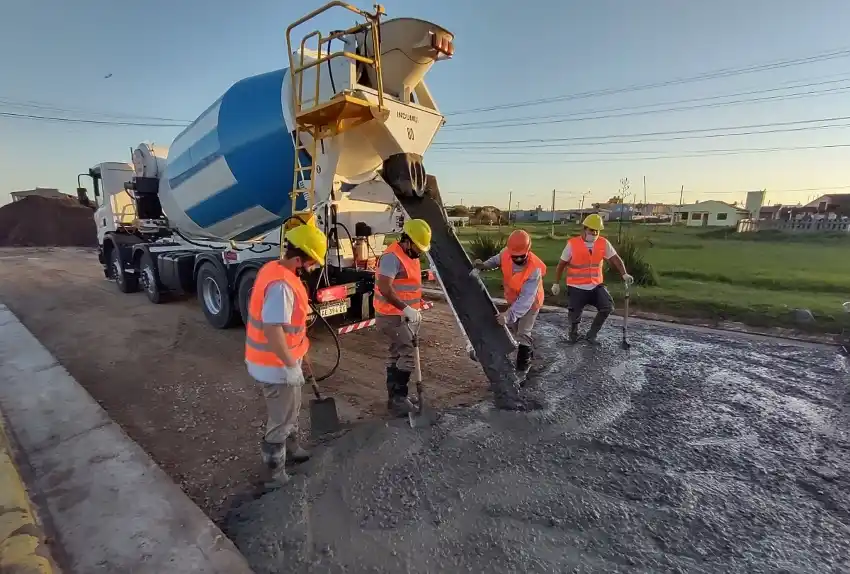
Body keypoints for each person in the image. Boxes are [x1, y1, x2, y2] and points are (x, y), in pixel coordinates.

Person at [245, 222, 328, 482]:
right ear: (297, 259)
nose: (314, 267)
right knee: (281, 418)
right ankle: (275, 474)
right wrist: (291, 365)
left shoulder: (275, 269)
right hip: (274, 364)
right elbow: (272, 330)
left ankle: (291, 450)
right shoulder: (281, 286)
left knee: (291, 408)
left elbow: (289, 325)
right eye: (312, 262)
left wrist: (298, 354)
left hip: (281, 359)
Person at [375, 219, 432, 416]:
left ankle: (395, 398)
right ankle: (399, 399)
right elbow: (385, 288)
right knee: (407, 354)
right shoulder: (392, 257)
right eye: (418, 246)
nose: (421, 251)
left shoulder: (410, 256)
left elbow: (409, 286)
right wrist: (406, 309)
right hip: (392, 315)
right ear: (407, 240)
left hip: (402, 315)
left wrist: (412, 309)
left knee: (396, 353)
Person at [551, 214, 634, 344]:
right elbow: (561, 264)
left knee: (607, 307)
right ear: (584, 229)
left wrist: (624, 274)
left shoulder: (603, 243)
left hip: (596, 286)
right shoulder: (572, 244)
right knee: (574, 315)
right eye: (591, 230)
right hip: (576, 287)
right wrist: (556, 283)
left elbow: (615, 259)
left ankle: (591, 335)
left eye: (597, 230)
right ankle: (573, 336)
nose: (594, 233)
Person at [473, 229, 546, 371]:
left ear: (528, 250)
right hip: (513, 299)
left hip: (531, 303)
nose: (518, 259)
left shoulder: (534, 269)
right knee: (515, 329)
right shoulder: (505, 253)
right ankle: (529, 354)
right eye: (515, 257)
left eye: (521, 256)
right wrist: (484, 266)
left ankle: (522, 370)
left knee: (523, 333)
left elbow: (526, 299)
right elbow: (495, 260)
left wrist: (508, 315)